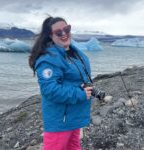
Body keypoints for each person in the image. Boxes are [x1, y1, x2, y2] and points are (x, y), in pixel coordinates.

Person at [29, 16, 93, 150]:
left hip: (74, 115)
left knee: (74, 145)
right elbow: (50, 90)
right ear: (50, 36)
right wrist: (79, 93)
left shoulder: (72, 53)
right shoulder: (49, 59)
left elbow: (77, 79)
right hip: (60, 119)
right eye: (58, 32)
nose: (64, 33)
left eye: (66, 29)